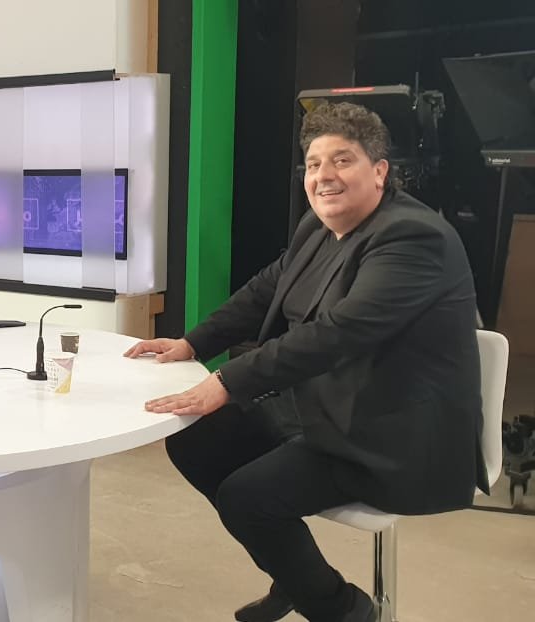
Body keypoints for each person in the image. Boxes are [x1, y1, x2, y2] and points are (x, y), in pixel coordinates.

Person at [124, 102, 486, 622]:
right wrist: (192, 344)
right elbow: (263, 291)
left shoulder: (412, 237)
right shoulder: (317, 227)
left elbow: (337, 334)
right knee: (195, 439)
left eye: (342, 160)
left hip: (391, 432)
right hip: (325, 406)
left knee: (247, 498)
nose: (324, 176)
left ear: (380, 171)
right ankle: (295, 573)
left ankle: (345, 610)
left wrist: (227, 380)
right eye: (314, 164)